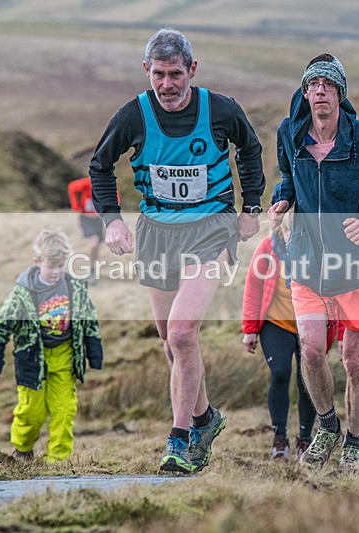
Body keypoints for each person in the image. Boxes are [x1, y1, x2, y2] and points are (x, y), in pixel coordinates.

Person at [89, 28, 265, 474]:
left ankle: (179, 439)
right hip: (157, 232)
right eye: (159, 75)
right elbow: (100, 165)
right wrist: (112, 220)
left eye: (175, 75)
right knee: (171, 343)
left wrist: (251, 207)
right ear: (146, 71)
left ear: (192, 70)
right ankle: (205, 418)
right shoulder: (133, 115)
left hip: (211, 229)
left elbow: (250, 149)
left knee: (184, 333)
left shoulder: (221, 110)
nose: (167, 85)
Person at [269, 54, 359, 468]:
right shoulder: (289, 135)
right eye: (313, 85)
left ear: (340, 94)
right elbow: (289, 177)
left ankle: (355, 442)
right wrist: (283, 199)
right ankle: (328, 425)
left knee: (353, 360)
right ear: (305, 93)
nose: (320, 91)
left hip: (358, 269)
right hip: (308, 264)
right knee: (312, 350)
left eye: (328, 85)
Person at [0, 228, 103, 462]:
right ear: (38, 261)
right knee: (32, 412)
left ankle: (58, 460)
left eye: (61, 266)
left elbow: (88, 317)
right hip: (32, 360)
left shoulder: (75, 287)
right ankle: (23, 449)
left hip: (65, 356)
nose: (57, 272)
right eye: (51, 267)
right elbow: (3, 323)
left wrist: (94, 349)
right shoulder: (23, 292)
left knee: (64, 409)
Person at [241, 214, 343, 460]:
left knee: (307, 380)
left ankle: (305, 438)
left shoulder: (322, 249)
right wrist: (250, 329)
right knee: (279, 373)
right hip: (276, 322)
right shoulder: (269, 248)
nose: (292, 237)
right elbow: (253, 286)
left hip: (313, 325)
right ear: (281, 230)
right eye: (289, 231)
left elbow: (338, 294)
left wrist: (341, 334)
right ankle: (280, 437)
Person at [68, 177, 108, 284]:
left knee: (96, 245)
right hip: (86, 219)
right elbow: (72, 187)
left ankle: (92, 269)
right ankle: (91, 271)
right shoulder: (86, 183)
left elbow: (116, 197)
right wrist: (75, 205)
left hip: (99, 220)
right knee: (94, 243)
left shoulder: (106, 183)